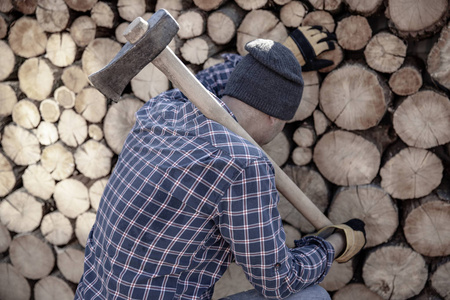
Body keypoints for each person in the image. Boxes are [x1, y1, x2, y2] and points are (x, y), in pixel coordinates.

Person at [75, 26, 366, 300]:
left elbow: (204, 85)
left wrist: (276, 60)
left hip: (92, 293)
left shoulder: (162, 109)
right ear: (275, 118)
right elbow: (278, 279)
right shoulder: (242, 165)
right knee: (311, 297)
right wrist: (333, 244)